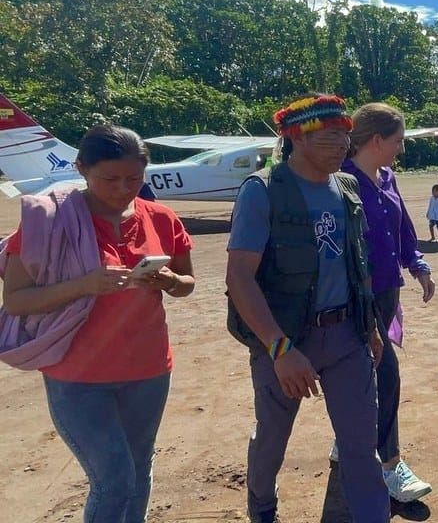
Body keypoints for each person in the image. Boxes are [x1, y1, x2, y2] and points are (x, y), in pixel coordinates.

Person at [0, 125, 195, 523]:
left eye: (134, 179)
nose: (124, 189)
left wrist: (170, 281)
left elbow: (187, 283)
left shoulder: (160, 217)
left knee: (139, 467)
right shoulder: (48, 222)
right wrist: (84, 285)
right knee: (115, 479)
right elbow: (17, 300)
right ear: (81, 169)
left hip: (148, 369)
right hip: (78, 375)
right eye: (110, 179)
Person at [225, 94, 389, 523]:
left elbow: (357, 264)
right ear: (297, 137)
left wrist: (371, 327)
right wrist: (279, 349)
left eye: (346, 136)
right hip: (284, 338)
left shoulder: (347, 187)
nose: (343, 145)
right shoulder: (263, 191)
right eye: (331, 136)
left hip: (347, 336)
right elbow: (239, 277)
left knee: (360, 445)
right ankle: (262, 507)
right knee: (273, 439)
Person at [340, 102, 434, 503]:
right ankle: (389, 465)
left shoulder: (388, 177)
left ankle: (347, 436)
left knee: (364, 372)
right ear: (376, 140)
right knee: (386, 373)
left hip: (386, 291)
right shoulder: (341, 181)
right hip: (356, 295)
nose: (401, 148)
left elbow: (403, 228)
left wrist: (417, 264)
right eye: (398, 140)